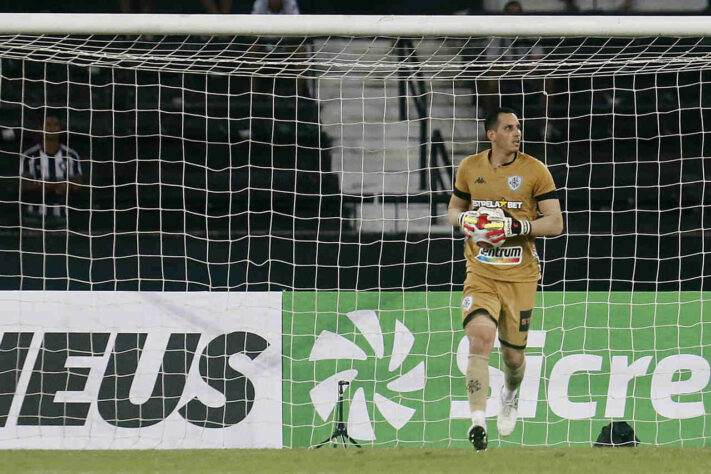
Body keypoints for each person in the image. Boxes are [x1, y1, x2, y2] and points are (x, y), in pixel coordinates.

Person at [447, 107, 563, 450]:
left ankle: (509, 396)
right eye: (509, 128)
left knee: (513, 360)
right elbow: (454, 208)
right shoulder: (469, 167)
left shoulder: (534, 170)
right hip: (480, 273)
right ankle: (478, 421)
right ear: (492, 135)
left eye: (519, 127)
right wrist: (464, 221)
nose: (517, 133)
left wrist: (517, 226)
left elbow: (555, 223)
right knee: (479, 339)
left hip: (520, 277)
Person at [20, 115, 83, 227]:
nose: (51, 128)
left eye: (55, 125)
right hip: (34, 217)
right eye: (48, 125)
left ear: (60, 128)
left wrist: (46, 185)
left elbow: (77, 185)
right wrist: (52, 186)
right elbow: (24, 186)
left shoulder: (71, 155)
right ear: (41, 128)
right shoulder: (29, 156)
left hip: (63, 217)